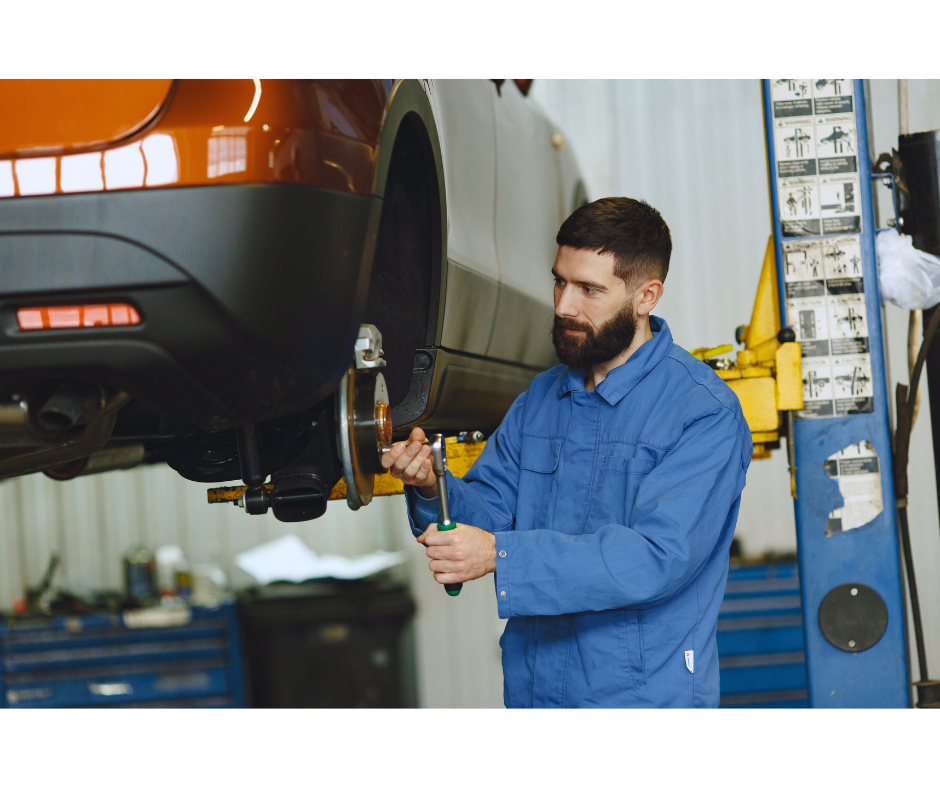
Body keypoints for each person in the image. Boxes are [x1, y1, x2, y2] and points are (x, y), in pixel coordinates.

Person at [381, 197, 752, 708]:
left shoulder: (702, 413)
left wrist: (501, 555)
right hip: (537, 696)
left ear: (647, 296)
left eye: (589, 290)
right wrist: (429, 486)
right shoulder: (542, 399)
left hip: (642, 705)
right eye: (559, 281)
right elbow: (488, 514)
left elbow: (656, 557)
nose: (562, 306)